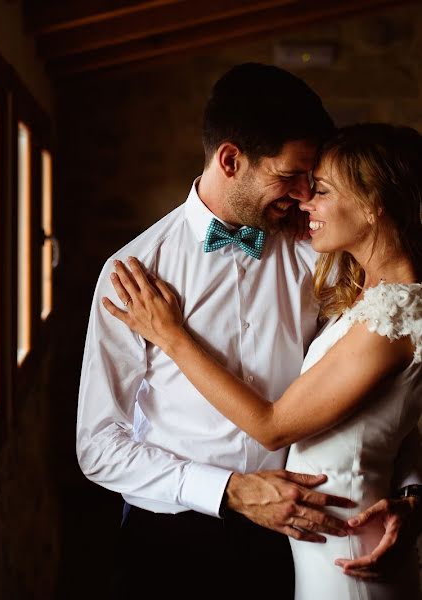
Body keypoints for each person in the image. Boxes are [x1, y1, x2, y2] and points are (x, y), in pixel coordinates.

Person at [75, 64, 422, 599]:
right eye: (290, 176)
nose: (304, 195)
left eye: (314, 181)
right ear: (231, 160)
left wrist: (410, 493)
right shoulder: (135, 272)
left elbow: (388, 395)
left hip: (301, 535)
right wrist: (230, 492)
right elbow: (98, 445)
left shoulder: (325, 257)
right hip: (170, 541)